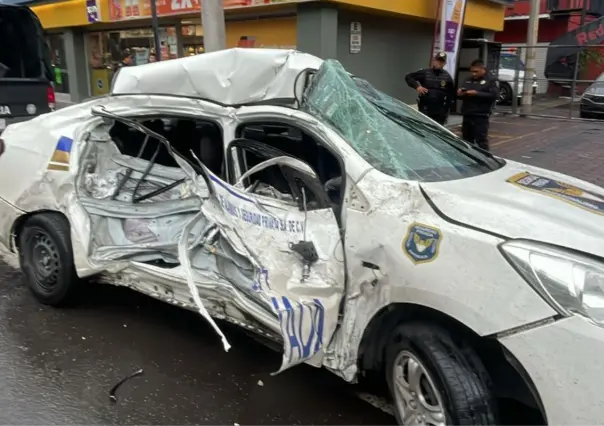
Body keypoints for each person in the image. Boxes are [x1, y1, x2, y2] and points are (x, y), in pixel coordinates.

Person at [457, 59, 498, 151]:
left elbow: (494, 95)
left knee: (481, 140)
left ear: (483, 69)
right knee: (466, 139)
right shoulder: (468, 79)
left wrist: (477, 93)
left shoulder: (491, 80)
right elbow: (462, 93)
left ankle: (485, 159)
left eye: (476, 71)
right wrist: (460, 94)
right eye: (472, 71)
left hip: (481, 115)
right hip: (468, 113)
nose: (473, 74)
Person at [405, 52, 456, 126]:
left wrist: (446, 112)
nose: (439, 63)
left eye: (441, 61)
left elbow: (451, 94)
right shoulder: (425, 72)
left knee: (437, 131)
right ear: (433, 60)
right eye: (437, 60)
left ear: (444, 63)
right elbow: (408, 77)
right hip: (425, 108)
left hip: (439, 111)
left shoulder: (447, 77)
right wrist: (417, 86)